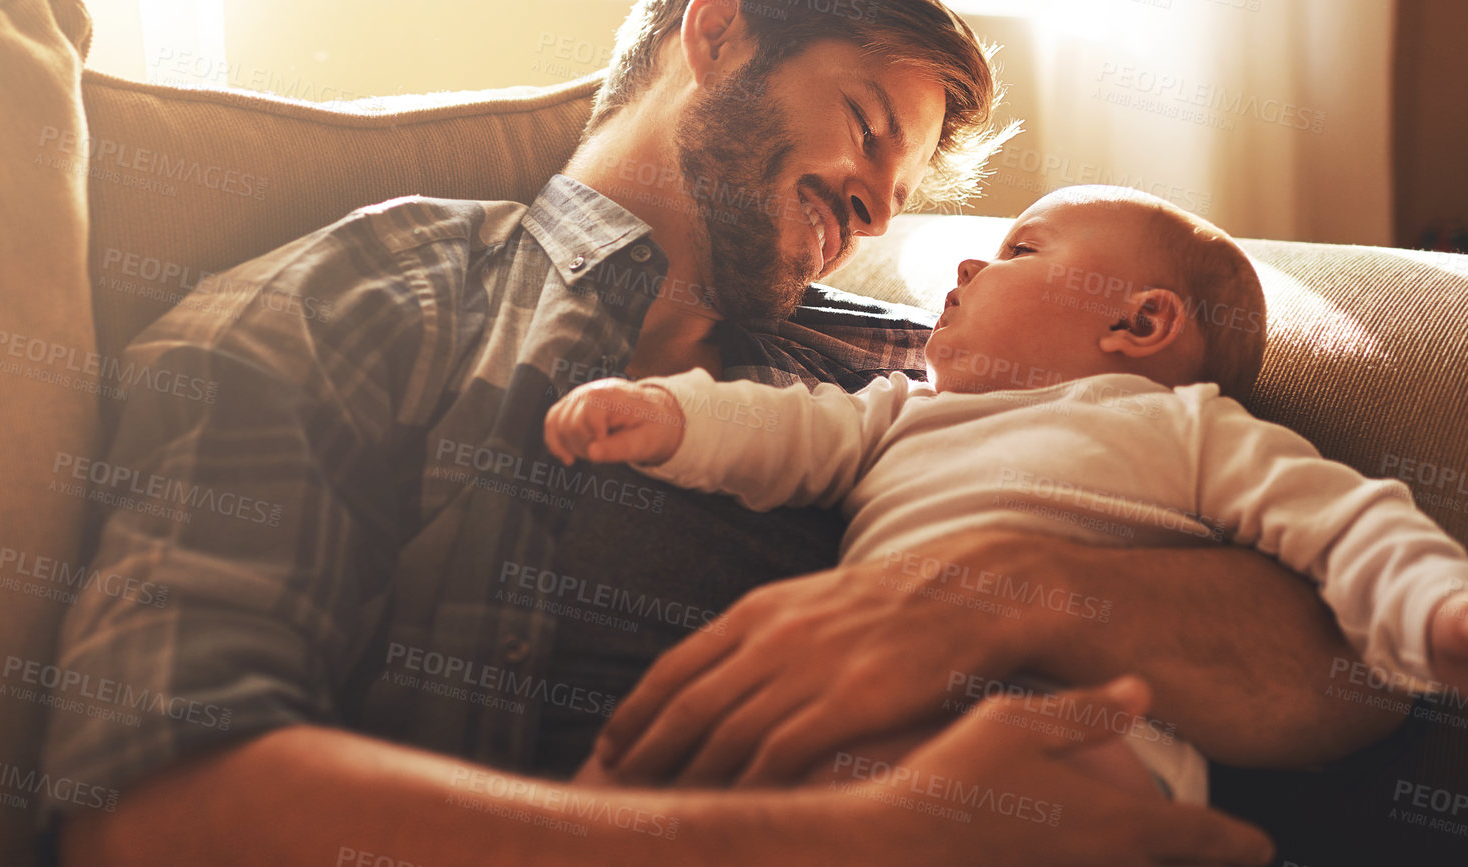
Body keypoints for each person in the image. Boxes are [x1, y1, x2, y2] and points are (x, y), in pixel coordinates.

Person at [44, 0, 1391, 867]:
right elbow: (156, 806)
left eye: (901, 192)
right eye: (868, 127)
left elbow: (1351, 675)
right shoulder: (373, 298)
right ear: (715, 34)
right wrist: (839, 844)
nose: (874, 209)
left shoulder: (909, 373)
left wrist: (1015, 583)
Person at [545, 185, 1468, 805]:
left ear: (1138, 320)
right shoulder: (898, 412)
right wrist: (666, 415)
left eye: (1019, 249)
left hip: (1091, 739)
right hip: (874, 711)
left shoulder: (1184, 427)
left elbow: (1344, 520)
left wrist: (1433, 606)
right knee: (692, 774)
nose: (966, 269)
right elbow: (782, 431)